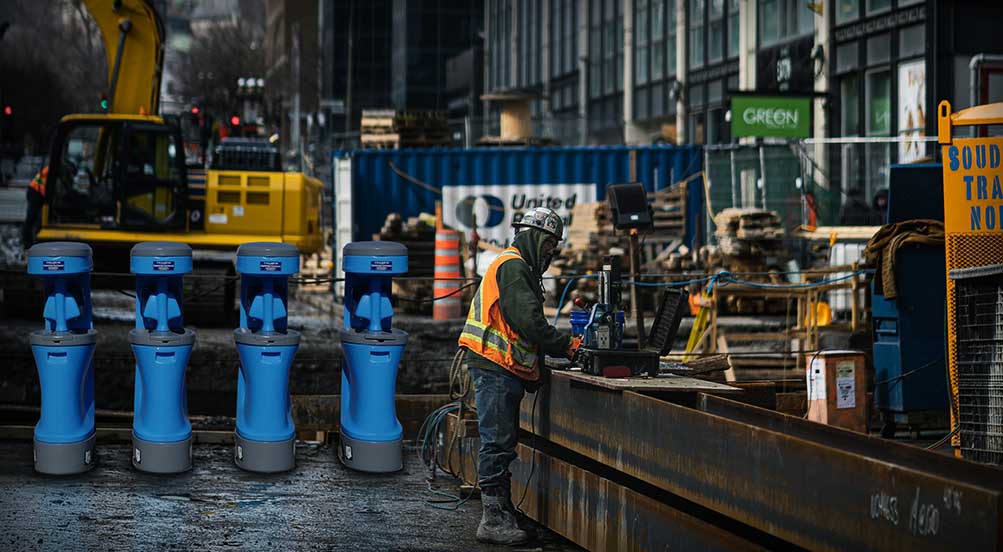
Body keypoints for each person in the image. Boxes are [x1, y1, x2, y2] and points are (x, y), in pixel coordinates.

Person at [457, 207, 582, 545]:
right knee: (497, 441)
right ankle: (493, 520)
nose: (550, 252)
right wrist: (567, 345)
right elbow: (529, 322)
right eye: (548, 245)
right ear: (535, 237)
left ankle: (503, 512)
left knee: (503, 440)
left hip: (501, 366)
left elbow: (520, 329)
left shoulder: (516, 265)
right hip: (494, 366)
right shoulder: (513, 267)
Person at [22, 165, 47, 248]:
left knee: (36, 218)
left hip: (38, 192)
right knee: (32, 217)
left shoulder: (53, 168)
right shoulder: (53, 169)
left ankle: (30, 240)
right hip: (36, 192)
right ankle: (27, 243)